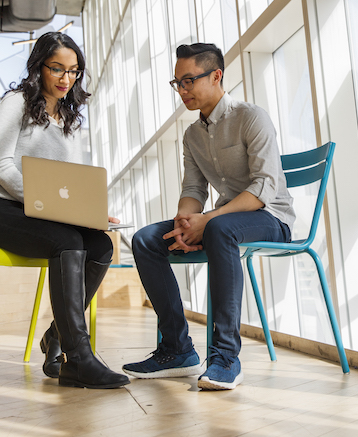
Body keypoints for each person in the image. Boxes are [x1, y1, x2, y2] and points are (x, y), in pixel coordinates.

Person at [122, 43, 295, 391]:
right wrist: (186, 223)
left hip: (270, 217)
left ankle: (226, 357)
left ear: (216, 76)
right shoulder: (192, 135)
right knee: (146, 240)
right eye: (177, 83)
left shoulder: (251, 117)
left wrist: (208, 220)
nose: (182, 90)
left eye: (189, 81)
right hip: (223, 221)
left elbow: (264, 187)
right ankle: (177, 349)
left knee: (218, 228)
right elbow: (193, 190)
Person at [0, 31, 129, 389]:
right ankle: (79, 359)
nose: (65, 79)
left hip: (42, 213)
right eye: (57, 69)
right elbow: (0, 165)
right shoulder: (17, 102)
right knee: (68, 240)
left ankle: (57, 336)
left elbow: (68, 184)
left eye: (73, 72)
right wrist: (48, 205)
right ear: (39, 66)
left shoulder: (70, 119)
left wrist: (91, 211)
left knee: (101, 244)